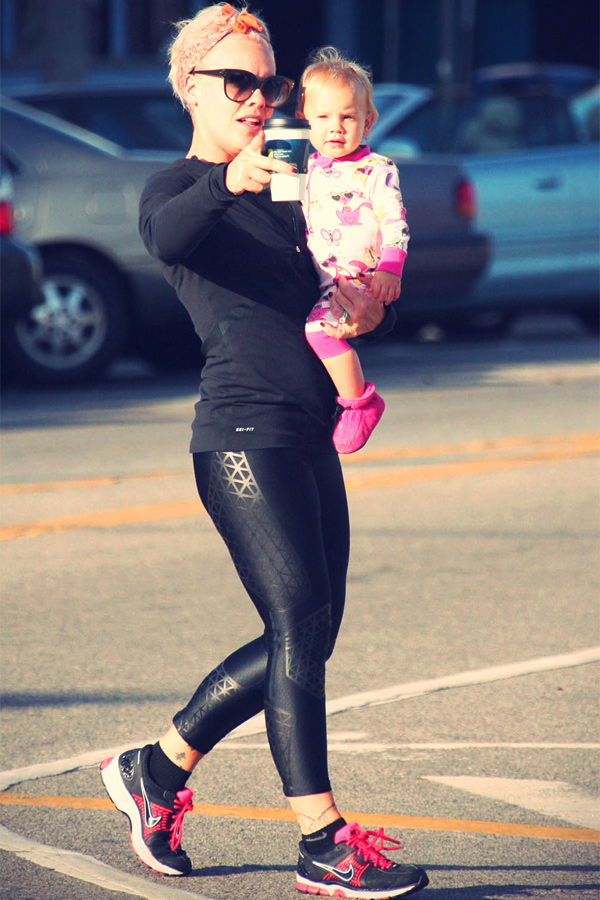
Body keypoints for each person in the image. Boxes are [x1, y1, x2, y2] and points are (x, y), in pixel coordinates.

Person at [100, 4, 428, 897]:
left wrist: (372, 300)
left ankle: (157, 770)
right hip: (240, 435)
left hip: (308, 425)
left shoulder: (297, 184)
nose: (259, 98)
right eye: (239, 82)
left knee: (312, 630)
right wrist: (230, 178)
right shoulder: (175, 189)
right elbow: (169, 239)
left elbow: (331, 277)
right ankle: (321, 839)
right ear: (192, 88)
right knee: (297, 624)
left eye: (269, 84)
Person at [298, 47, 410, 455]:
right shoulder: (304, 171)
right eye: (323, 117)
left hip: (358, 280)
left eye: (348, 117)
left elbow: (394, 221)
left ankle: (360, 402)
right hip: (325, 282)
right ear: (305, 121)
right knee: (321, 334)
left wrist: (390, 269)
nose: (336, 127)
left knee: (319, 332)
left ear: (368, 121)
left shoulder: (377, 169)